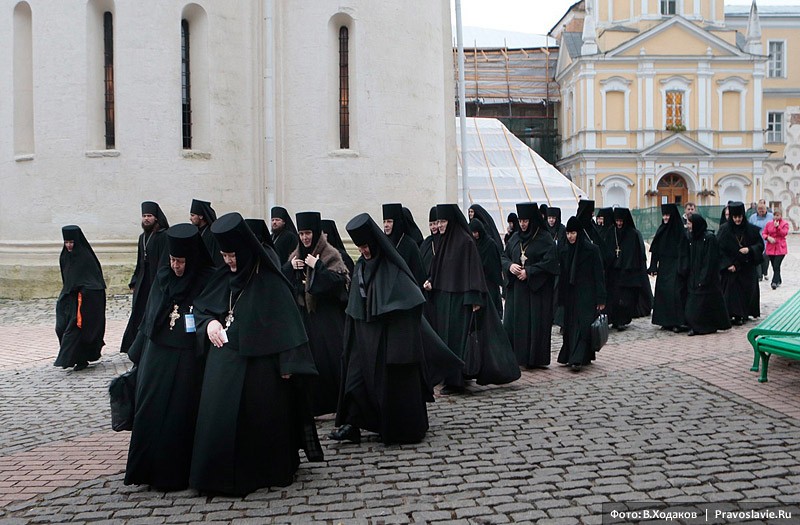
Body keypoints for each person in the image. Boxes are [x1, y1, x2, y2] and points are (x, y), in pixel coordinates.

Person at [190, 212, 322, 496]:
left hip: (260, 370)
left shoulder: (270, 281)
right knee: (220, 420)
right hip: (223, 365)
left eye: (233, 255)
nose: (229, 262)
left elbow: (289, 325)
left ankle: (260, 473)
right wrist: (210, 323)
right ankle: (216, 475)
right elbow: (202, 308)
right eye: (224, 255)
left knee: (258, 422)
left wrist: (288, 363)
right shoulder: (224, 276)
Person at [125, 223, 215, 491]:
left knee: (182, 412)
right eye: (173, 260)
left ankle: (177, 473)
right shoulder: (163, 277)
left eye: (181, 261)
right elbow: (150, 317)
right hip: (159, 353)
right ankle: (147, 469)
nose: (176, 267)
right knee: (151, 407)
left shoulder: (206, 280)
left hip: (189, 357)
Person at [330, 213, 431, 444]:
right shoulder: (360, 267)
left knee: (388, 387)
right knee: (354, 380)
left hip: (387, 341)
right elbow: (354, 304)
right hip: (362, 338)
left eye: (366, 246)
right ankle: (352, 424)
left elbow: (411, 304)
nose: (364, 251)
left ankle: (395, 428)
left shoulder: (392, 268)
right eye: (360, 247)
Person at [425, 204, 519, 391]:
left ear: (451, 221)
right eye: (439, 221)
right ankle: (449, 377)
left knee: (457, 341)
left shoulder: (465, 242)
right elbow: (439, 268)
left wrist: (474, 299)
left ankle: (456, 380)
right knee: (446, 339)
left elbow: (472, 272)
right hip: (444, 299)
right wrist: (431, 281)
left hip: (461, 301)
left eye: (443, 221)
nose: (441, 225)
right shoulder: (443, 241)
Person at [283, 211, 350, 417]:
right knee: (309, 361)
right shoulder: (295, 255)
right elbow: (287, 284)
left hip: (326, 317)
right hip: (305, 317)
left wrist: (318, 267)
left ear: (316, 233)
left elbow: (339, 283)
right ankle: (313, 406)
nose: (305, 238)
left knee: (329, 360)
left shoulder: (331, 254)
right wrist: (289, 268)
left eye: (308, 233)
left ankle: (338, 405)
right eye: (301, 234)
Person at [501, 202, 560, 368]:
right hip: (517, 292)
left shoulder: (544, 238)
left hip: (536, 292)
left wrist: (529, 271)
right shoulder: (515, 238)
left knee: (533, 325)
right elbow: (503, 257)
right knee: (514, 324)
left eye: (526, 221)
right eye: (520, 221)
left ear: (532, 220)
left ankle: (534, 359)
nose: (523, 224)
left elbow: (550, 263)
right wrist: (510, 266)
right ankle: (514, 358)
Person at [54, 225, 106, 371]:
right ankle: (71, 358)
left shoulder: (85, 257)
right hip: (69, 298)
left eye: (71, 242)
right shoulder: (64, 256)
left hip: (85, 300)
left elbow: (94, 282)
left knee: (76, 331)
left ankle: (76, 359)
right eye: (66, 242)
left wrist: (82, 292)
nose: (69, 245)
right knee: (61, 327)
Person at [556, 217, 605, 370]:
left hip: (587, 295)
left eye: (573, 233)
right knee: (570, 326)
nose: (570, 236)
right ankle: (573, 355)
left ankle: (578, 358)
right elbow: (562, 275)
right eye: (568, 233)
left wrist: (601, 298)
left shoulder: (591, 250)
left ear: (579, 233)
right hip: (570, 295)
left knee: (583, 326)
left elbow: (599, 275)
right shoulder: (564, 251)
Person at [121, 201, 170, 354]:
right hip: (143, 280)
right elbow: (139, 261)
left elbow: (164, 261)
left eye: (149, 216)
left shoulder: (163, 236)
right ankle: (135, 345)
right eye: (144, 216)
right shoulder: (142, 237)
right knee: (139, 312)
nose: (146, 219)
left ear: (156, 218)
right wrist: (134, 279)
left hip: (156, 280)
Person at [717, 202, 764, 325]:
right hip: (731, 268)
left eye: (740, 217)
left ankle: (743, 314)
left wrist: (749, 249)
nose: (737, 219)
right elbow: (719, 249)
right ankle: (733, 314)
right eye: (735, 217)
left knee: (746, 292)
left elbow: (759, 246)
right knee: (732, 293)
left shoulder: (751, 229)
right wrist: (727, 264)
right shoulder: (724, 230)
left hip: (746, 267)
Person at [606, 207, 652, 330]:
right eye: (617, 221)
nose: (619, 223)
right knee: (614, 297)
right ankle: (614, 319)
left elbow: (637, 255)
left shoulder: (633, 234)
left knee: (625, 298)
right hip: (614, 272)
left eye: (621, 221)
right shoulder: (611, 232)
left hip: (628, 272)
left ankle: (622, 320)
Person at [684, 214, 731, 336]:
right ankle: (696, 326)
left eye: (690, 223)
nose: (688, 226)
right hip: (695, 276)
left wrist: (703, 278)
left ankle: (704, 327)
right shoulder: (692, 237)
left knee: (704, 303)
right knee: (695, 304)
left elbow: (710, 260)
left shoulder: (709, 238)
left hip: (708, 279)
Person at [648, 203, 689, 332]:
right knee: (663, 293)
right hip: (664, 266)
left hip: (676, 266)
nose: (665, 218)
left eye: (667, 215)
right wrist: (653, 266)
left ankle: (677, 322)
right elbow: (656, 250)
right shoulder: (662, 229)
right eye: (664, 215)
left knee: (675, 294)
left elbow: (684, 251)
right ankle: (664, 321)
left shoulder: (680, 231)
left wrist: (682, 267)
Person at [382, 203, 425, 285]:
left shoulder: (410, 245)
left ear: (397, 223)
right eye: (384, 221)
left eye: (389, 222)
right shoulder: (382, 243)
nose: (386, 225)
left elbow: (418, 275)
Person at [469, 218, 503, 315]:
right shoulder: (473, 244)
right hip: (478, 282)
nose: (474, 235)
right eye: (472, 232)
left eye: (476, 232)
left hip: (490, 282)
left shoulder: (490, 244)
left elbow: (494, 265)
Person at [190, 198, 223, 267]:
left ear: (201, 216)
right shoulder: (194, 232)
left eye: (193, 215)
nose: (190, 218)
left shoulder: (212, 234)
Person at [762, 208, 789, 290]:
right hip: (771, 248)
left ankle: (774, 282)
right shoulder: (769, 224)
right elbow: (764, 233)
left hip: (780, 248)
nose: (776, 217)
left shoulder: (785, 224)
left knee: (777, 265)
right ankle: (779, 279)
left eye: (778, 215)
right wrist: (768, 237)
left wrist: (778, 227)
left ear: (781, 216)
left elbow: (784, 233)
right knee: (774, 266)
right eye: (774, 215)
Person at [748, 203, 774, 281]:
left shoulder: (771, 216)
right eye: (759, 210)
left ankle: (764, 271)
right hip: (757, 239)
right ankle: (759, 275)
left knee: (766, 257)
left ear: (766, 209)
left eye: (762, 210)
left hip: (768, 240)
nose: (761, 211)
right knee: (757, 256)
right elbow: (749, 227)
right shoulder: (753, 217)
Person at [419, 207, 439, 276]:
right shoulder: (427, 242)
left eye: (435, 223)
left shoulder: (446, 241)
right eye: (430, 224)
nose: (433, 227)